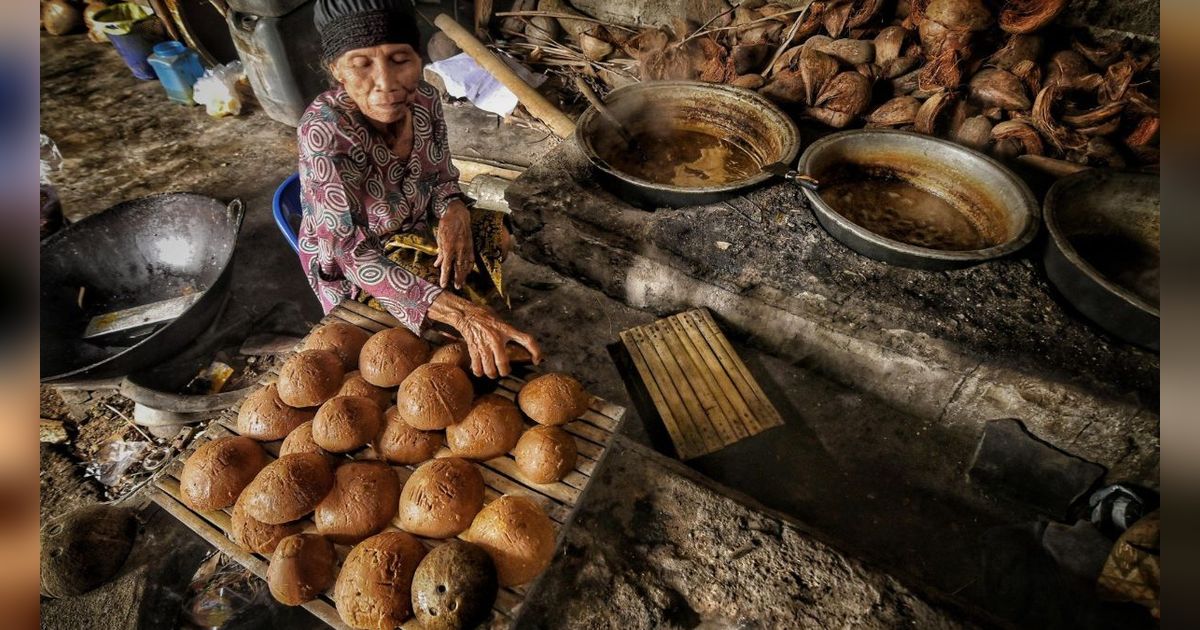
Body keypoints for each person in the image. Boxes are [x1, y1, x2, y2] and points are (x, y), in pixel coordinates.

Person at [299, 0, 541, 378]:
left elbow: (442, 179)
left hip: (416, 229)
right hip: (357, 264)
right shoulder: (326, 129)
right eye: (361, 64)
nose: (387, 83)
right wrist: (461, 314)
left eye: (399, 59)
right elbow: (345, 251)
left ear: (418, 59)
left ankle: (466, 311)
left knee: (499, 236)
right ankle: (459, 320)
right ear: (337, 72)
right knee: (419, 353)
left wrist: (454, 212)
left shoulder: (424, 101)